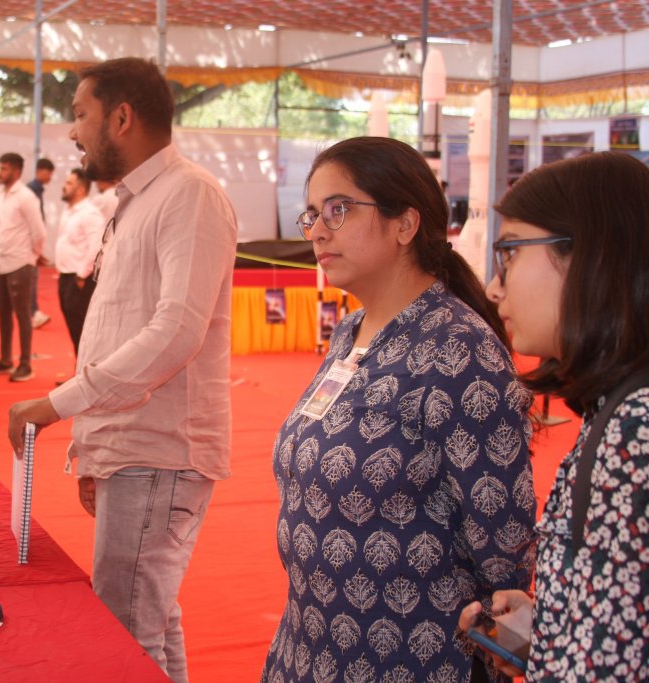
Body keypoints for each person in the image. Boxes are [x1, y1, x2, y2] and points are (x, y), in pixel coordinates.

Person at [260, 136, 536, 683]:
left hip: (413, 657)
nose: (318, 231)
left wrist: (501, 644)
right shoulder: (349, 333)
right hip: (310, 646)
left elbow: (503, 542)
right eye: (312, 215)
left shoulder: (459, 350)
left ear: (405, 224)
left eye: (338, 210)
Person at [8, 58, 238, 683]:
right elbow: (118, 329)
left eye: (80, 114)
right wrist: (93, 446)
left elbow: (175, 332)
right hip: (133, 447)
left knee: (127, 634)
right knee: (149, 622)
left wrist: (57, 406)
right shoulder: (137, 200)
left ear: (122, 117)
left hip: (160, 449)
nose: (73, 132)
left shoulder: (189, 194)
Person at [458, 152, 649, 681]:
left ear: (591, 257)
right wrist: (550, 627)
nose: (494, 287)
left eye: (511, 253)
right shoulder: (617, 411)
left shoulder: (635, 428)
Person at [0, 152, 46, 383]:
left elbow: (39, 232)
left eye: (3, 168)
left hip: (21, 262)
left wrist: (31, 256)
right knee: (3, 313)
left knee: (23, 315)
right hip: (2, 262)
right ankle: (6, 359)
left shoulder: (26, 197)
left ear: (16, 171)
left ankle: (25, 363)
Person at [54, 167, 103, 356]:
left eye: (69, 183)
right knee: (74, 328)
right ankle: (79, 367)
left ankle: (86, 368)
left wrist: (81, 276)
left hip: (80, 279)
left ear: (81, 189)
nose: (64, 186)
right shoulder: (69, 211)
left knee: (83, 329)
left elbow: (97, 248)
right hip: (66, 276)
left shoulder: (89, 213)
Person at [27, 157, 55, 329]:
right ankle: (32, 313)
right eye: (49, 173)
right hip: (30, 244)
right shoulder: (31, 191)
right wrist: (35, 248)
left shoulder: (36, 190)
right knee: (31, 279)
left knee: (32, 279)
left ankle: (33, 312)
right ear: (40, 171)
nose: (50, 177)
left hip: (33, 243)